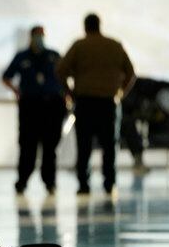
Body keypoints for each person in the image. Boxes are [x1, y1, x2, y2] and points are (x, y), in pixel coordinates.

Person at [57, 13, 136, 195]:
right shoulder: (114, 45)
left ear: (85, 27)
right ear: (100, 25)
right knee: (110, 145)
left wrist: (69, 93)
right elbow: (131, 73)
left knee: (84, 146)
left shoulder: (80, 46)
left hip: (85, 102)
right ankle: (110, 183)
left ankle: (83, 185)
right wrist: (120, 92)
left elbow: (60, 71)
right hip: (109, 103)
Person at [2, 25, 66, 195]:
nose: (40, 39)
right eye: (37, 36)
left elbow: (65, 76)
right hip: (30, 106)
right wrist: (17, 91)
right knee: (27, 146)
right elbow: (6, 77)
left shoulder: (53, 56)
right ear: (31, 37)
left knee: (50, 147)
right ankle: (22, 181)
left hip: (52, 106)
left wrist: (66, 95)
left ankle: (50, 182)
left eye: (42, 35)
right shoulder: (22, 57)